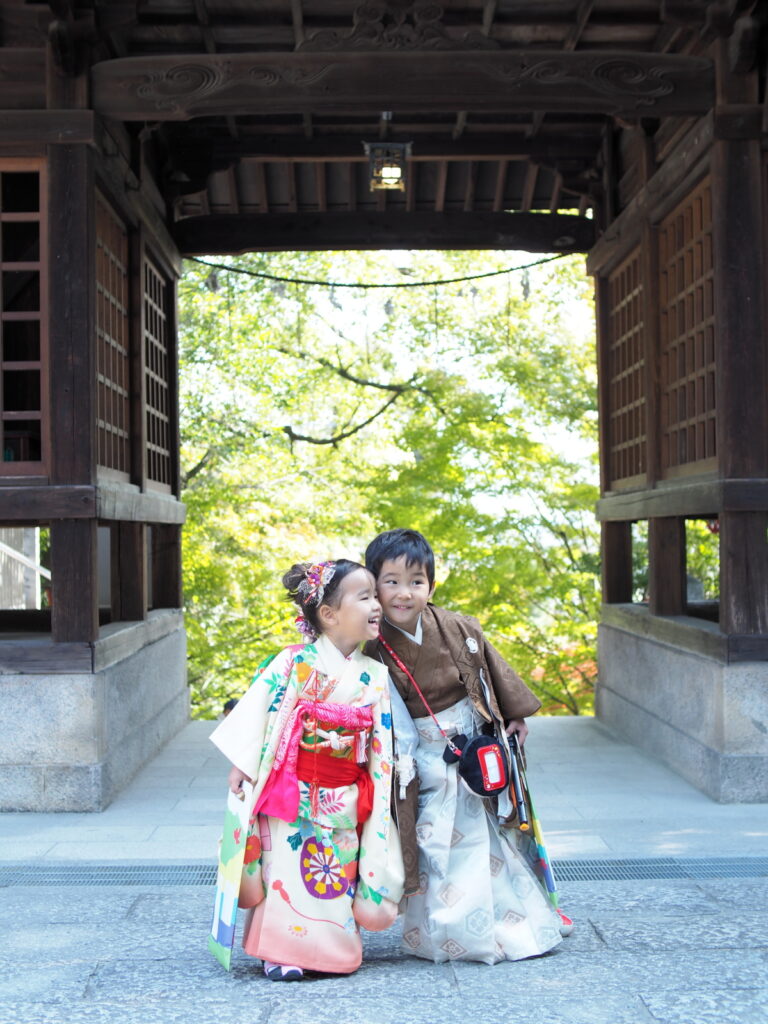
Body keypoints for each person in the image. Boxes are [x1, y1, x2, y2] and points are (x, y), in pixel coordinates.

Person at [363, 528, 570, 965]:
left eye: (416, 581)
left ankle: (510, 924)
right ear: (373, 585)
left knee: (489, 838)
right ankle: (444, 930)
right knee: (433, 841)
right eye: (392, 581)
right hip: (420, 757)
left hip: (473, 748)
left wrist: (514, 713)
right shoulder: (373, 650)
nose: (404, 593)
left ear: (431, 586)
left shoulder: (458, 627)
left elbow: (491, 671)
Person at [209, 559, 404, 981]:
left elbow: (381, 743)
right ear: (329, 614)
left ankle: (333, 951)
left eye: (375, 595)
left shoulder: (375, 675)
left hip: (344, 793)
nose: (377, 604)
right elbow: (258, 714)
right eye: (365, 596)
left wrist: (381, 786)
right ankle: (279, 952)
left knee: (336, 873)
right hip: (291, 792)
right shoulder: (293, 662)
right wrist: (242, 765)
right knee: (287, 873)